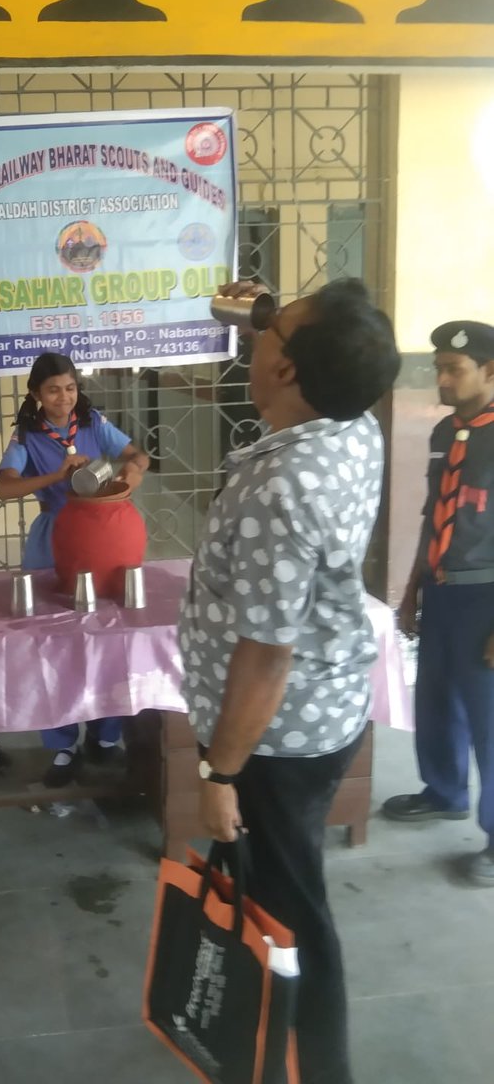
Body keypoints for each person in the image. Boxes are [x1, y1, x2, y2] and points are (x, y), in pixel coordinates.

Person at [178, 279, 400, 1084]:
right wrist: (270, 312)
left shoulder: (283, 488)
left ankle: (314, 1066)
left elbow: (266, 654)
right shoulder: (353, 422)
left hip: (275, 738)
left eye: (274, 333)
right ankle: (252, 1044)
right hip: (315, 711)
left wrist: (219, 772)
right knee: (268, 894)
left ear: (290, 374)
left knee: (288, 914)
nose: (257, 336)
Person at [0, 352, 150, 786]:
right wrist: (56, 476)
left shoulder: (95, 423)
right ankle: (61, 743)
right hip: (55, 537)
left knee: (108, 635)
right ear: (35, 395)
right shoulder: (26, 436)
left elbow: (139, 455)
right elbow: (6, 487)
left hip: (101, 537)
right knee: (53, 643)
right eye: (52, 390)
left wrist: (133, 473)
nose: (64, 398)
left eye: (70, 388)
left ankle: (105, 734)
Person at [382, 321, 494, 887]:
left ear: (490, 372)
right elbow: (435, 514)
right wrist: (412, 588)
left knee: (489, 719)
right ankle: (444, 791)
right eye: (438, 368)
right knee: (436, 695)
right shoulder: (447, 431)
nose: (442, 378)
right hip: (444, 586)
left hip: (486, 596)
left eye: (454, 369)